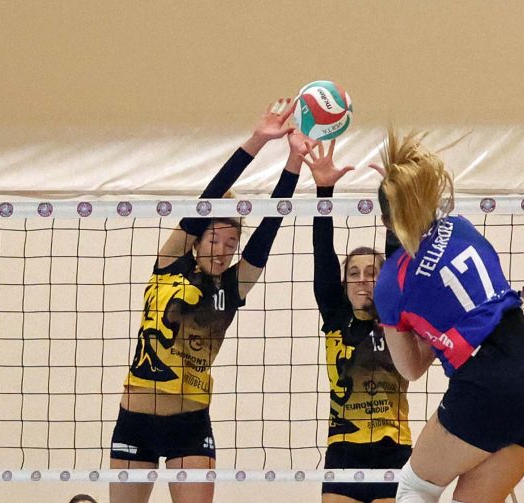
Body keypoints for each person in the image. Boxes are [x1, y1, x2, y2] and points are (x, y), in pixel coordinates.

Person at [109, 99, 309, 503]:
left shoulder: (232, 288)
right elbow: (210, 195)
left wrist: (293, 162)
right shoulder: (170, 263)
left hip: (190, 424)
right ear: (197, 239)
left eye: (231, 244)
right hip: (135, 422)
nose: (222, 250)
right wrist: (257, 141)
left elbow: (269, 228)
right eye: (215, 239)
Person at [370, 130, 524, 503]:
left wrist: (430, 331)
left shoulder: (391, 284)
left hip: (486, 384)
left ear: (385, 221)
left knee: (416, 486)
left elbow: (410, 369)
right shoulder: (462, 227)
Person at [301, 140, 412, 503]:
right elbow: (322, 251)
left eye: (371, 273)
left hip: (392, 449)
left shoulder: (392, 316)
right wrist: (324, 191)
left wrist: (393, 195)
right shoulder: (336, 316)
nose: (363, 280)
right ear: (343, 282)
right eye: (354, 273)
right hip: (343, 451)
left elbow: (397, 253)